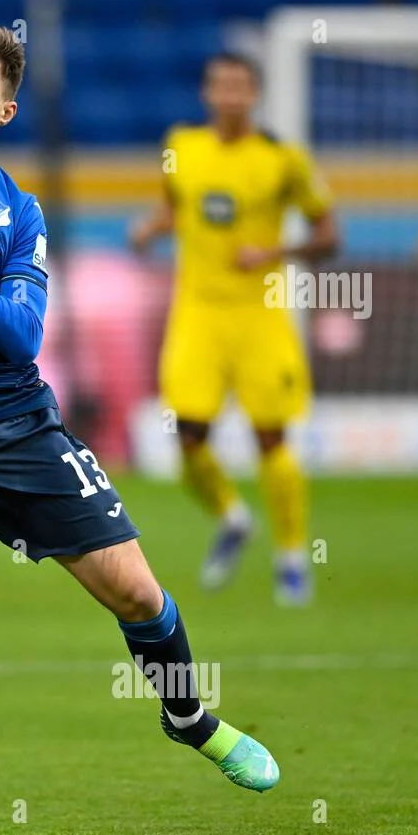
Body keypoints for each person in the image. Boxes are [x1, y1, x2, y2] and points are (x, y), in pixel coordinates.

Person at [0, 25, 280, 835]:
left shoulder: (16, 209)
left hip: (18, 423)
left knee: (138, 594)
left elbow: (22, 335)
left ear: (4, 109)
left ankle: (188, 717)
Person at [129, 53, 339, 606]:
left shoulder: (282, 160)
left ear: (256, 94)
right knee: (188, 439)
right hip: (196, 313)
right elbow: (178, 206)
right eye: (221, 85)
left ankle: (292, 557)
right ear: (207, 93)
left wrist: (275, 250)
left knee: (272, 437)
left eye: (241, 86)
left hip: (261, 315)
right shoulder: (182, 147)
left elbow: (328, 234)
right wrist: (151, 228)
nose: (230, 95)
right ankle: (233, 515)